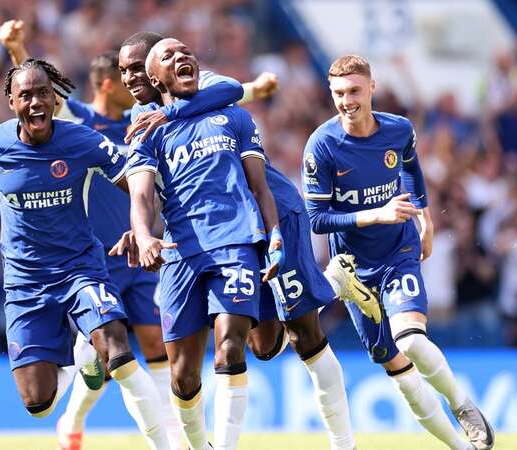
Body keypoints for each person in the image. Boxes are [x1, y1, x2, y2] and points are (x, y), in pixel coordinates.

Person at [114, 31, 381, 450]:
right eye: (124, 70)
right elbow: (157, 185)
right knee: (265, 346)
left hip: (273, 212)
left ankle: (343, 442)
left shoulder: (207, 91)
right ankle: (328, 282)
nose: (129, 78)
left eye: (135, 67)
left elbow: (231, 89)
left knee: (303, 335)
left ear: (155, 69)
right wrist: (143, 230)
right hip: (215, 237)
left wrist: (181, 111)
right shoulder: (144, 118)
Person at [0, 58, 170, 450]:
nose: (36, 101)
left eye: (44, 92)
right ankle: (81, 359)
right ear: (12, 102)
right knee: (38, 404)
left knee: (120, 354)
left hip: (82, 270)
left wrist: (142, 231)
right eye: (26, 94)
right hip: (26, 284)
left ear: (56, 99)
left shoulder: (82, 141)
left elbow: (138, 182)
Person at [0, 20, 181, 450]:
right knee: (103, 359)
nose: (136, 85)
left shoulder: (140, 121)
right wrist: (17, 46)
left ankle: (174, 435)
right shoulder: (80, 121)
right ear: (104, 83)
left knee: (154, 343)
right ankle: (73, 422)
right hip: (95, 259)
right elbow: (36, 96)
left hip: (139, 249)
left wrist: (249, 89)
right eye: (125, 78)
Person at [302, 54, 494, 450]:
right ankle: (462, 447)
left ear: (372, 88)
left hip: (397, 252)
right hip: (353, 272)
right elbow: (317, 218)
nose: (346, 100)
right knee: (397, 367)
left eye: (354, 90)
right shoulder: (321, 145)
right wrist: (376, 214)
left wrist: (425, 217)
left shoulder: (398, 130)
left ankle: (462, 405)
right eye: (338, 93)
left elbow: (411, 168)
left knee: (410, 340)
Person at [125, 37, 283, 450]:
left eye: (184, 52)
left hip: (235, 242)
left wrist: (274, 232)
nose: (181, 58)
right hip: (181, 254)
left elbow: (259, 186)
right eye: (168, 57)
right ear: (154, 76)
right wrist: (144, 236)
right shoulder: (145, 130)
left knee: (230, 345)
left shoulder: (232, 116)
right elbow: (141, 195)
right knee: (182, 374)